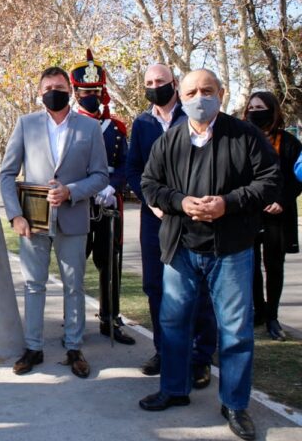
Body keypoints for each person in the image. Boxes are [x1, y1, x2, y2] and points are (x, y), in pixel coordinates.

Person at [140, 69, 280, 441]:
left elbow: (269, 181)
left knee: (235, 331)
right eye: (191, 92)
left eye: (206, 90)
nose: (199, 97)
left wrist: (227, 204)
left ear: (221, 92)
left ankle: (234, 403)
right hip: (181, 247)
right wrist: (181, 202)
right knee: (173, 325)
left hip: (231, 249)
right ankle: (173, 389)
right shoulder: (168, 141)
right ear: (181, 98)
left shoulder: (245, 136)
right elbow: (149, 184)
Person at [0, 66, 108, 378]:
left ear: (70, 91)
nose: (53, 91)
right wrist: (15, 215)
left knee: (74, 286)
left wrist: (71, 191)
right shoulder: (26, 124)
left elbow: (101, 176)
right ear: (39, 92)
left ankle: (74, 347)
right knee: (34, 285)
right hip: (32, 223)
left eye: (59, 86)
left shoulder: (89, 129)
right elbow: (7, 174)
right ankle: (33, 347)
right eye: (48, 87)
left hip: (73, 221)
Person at [127, 63, 217, 384]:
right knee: (155, 286)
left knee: (198, 288)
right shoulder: (141, 123)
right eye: (149, 82)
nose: (155, 86)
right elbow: (133, 168)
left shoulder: (192, 115)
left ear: (174, 84)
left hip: (192, 216)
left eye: (160, 81)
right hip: (155, 218)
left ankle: (200, 356)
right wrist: (151, 202)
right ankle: (164, 350)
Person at [69, 50, 135, 345]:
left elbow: (126, 165)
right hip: (79, 203)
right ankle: (74, 319)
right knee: (75, 263)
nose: (90, 96)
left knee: (110, 264)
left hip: (109, 203)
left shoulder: (117, 128)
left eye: (95, 91)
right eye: (85, 92)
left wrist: (113, 187)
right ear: (76, 92)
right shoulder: (68, 126)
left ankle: (111, 318)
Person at [241, 91, 302, 341]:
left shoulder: (288, 142)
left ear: (273, 110)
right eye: (252, 107)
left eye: (261, 107)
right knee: (250, 265)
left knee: (274, 265)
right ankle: (259, 310)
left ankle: (273, 317)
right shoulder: (242, 138)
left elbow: (297, 178)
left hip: (278, 213)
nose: (256, 111)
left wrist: (282, 201)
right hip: (249, 213)